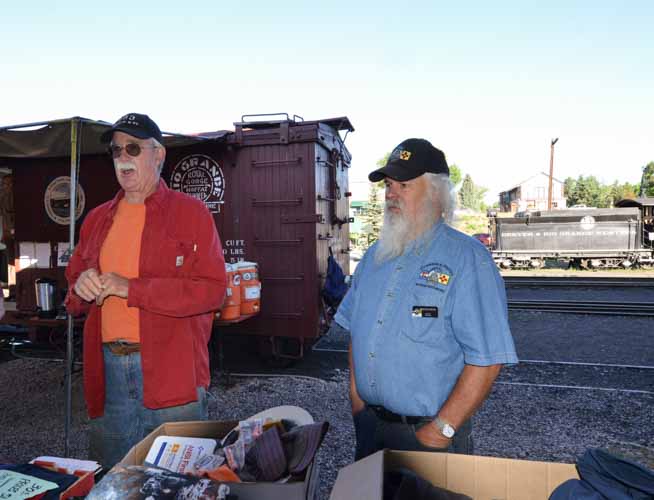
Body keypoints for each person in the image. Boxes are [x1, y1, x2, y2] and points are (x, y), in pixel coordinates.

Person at [334, 138, 518, 460]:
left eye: (403, 184)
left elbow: (488, 359)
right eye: (388, 185)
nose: (390, 194)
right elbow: (357, 332)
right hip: (369, 428)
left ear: (436, 192)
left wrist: (441, 430)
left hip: (428, 437)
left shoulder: (467, 259)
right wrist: (357, 402)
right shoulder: (375, 257)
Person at [65, 113, 227, 468]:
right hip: (108, 373)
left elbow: (214, 291)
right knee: (114, 477)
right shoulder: (95, 219)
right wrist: (81, 286)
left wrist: (132, 289)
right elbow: (73, 295)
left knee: (177, 479)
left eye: (133, 148)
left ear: (159, 155)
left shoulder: (192, 213)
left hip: (173, 372)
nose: (123, 157)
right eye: (116, 150)